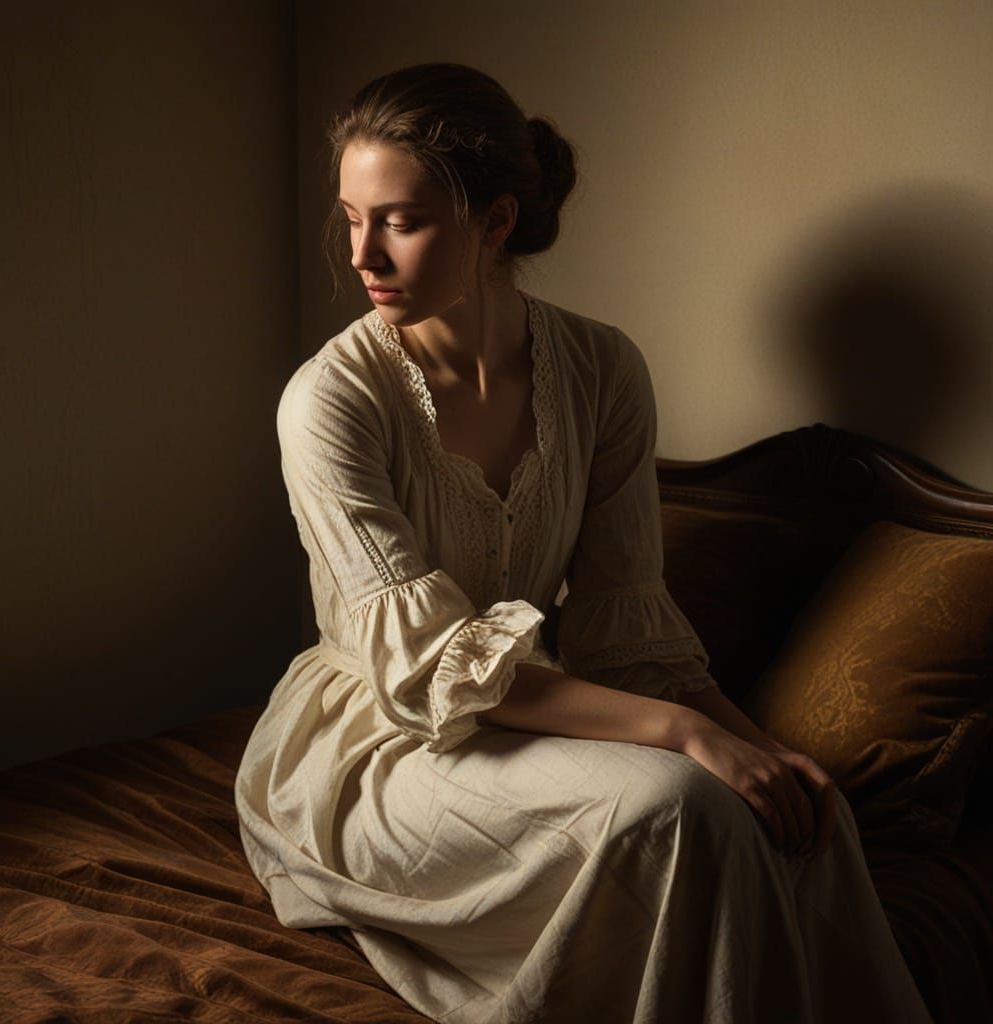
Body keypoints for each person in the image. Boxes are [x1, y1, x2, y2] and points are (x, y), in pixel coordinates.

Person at [234, 62, 931, 1024]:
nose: (364, 255)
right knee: (679, 805)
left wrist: (756, 746)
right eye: (352, 219)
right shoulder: (330, 401)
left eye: (401, 221)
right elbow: (437, 674)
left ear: (496, 221)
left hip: (530, 713)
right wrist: (688, 736)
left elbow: (626, 631)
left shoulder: (602, 370)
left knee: (811, 817)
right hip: (381, 745)